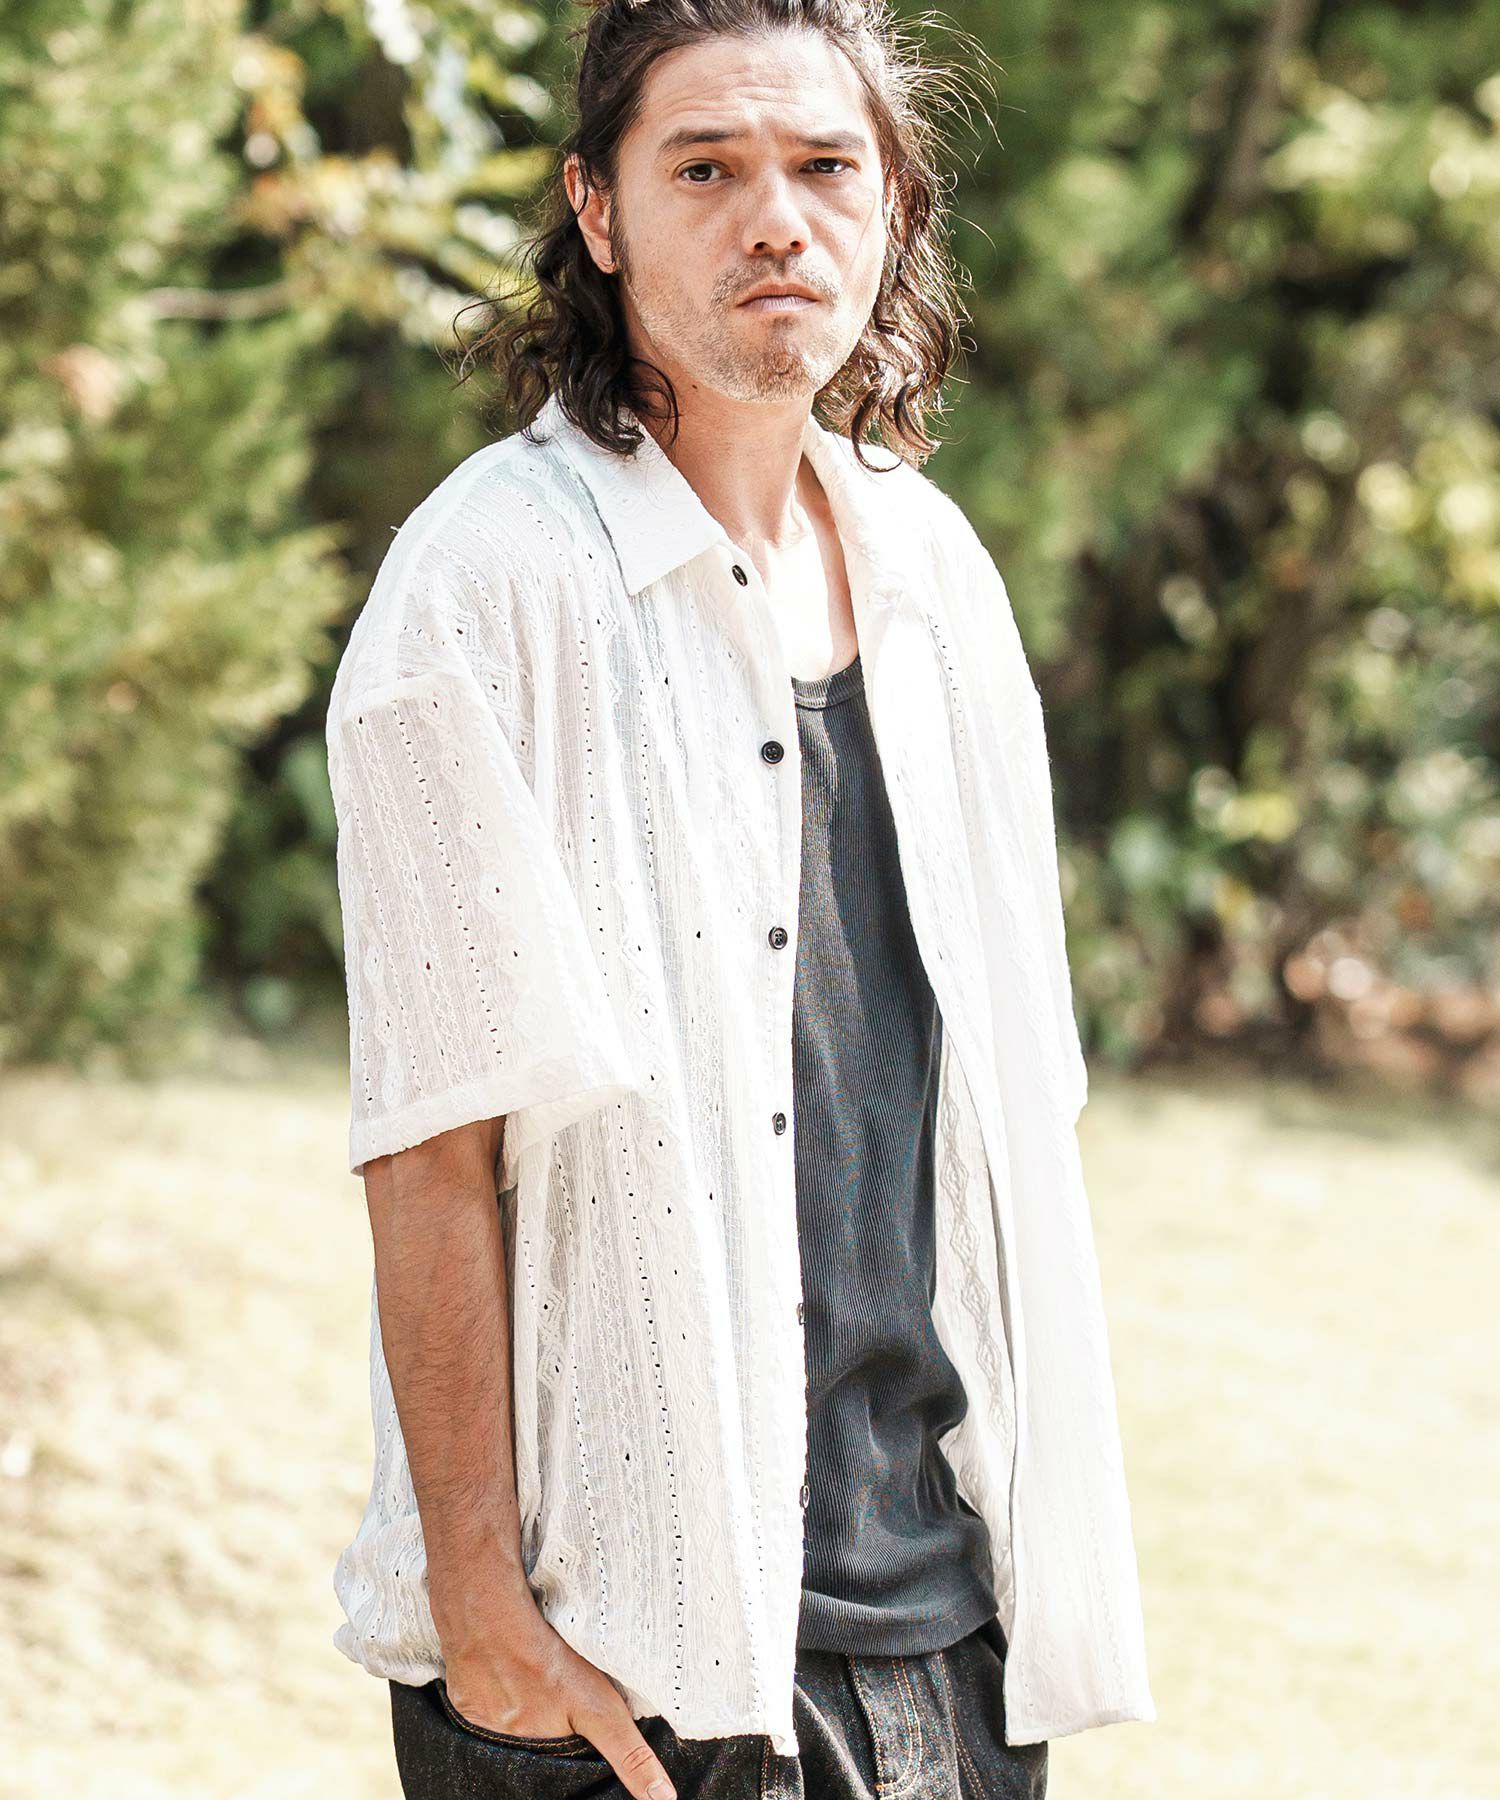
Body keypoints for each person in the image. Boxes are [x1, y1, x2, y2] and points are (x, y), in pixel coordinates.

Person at [324, 1, 1156, 1795]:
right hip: (631, 1668)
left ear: (893, 207)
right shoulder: (485, 586)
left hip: (949, 1625)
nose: (776, 219)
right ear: (599, 209)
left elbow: (1012, 1103)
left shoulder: (936, 572)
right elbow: (428, 1145)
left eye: (826, 167)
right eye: (705, 169)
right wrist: (485, 1619)